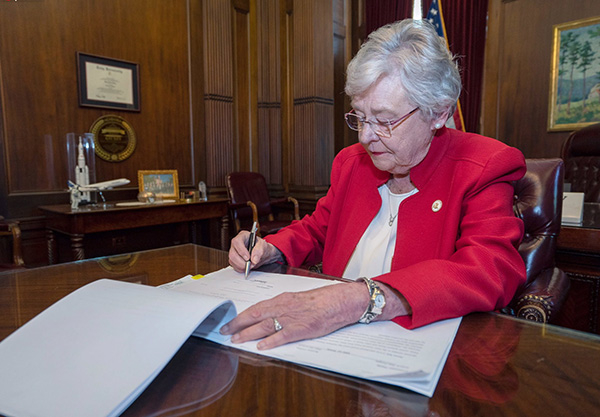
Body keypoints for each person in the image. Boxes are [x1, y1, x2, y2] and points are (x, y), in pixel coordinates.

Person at [221, 19, 526, 350]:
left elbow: (490, 270)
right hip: (332, 342)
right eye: (360, 117)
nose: (366, 136)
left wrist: (360, 298)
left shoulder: (484, 165)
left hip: (420, 349)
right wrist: (271, 248)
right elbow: (319, 230)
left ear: (438, 113)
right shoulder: (352, 163)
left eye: (384, 120)